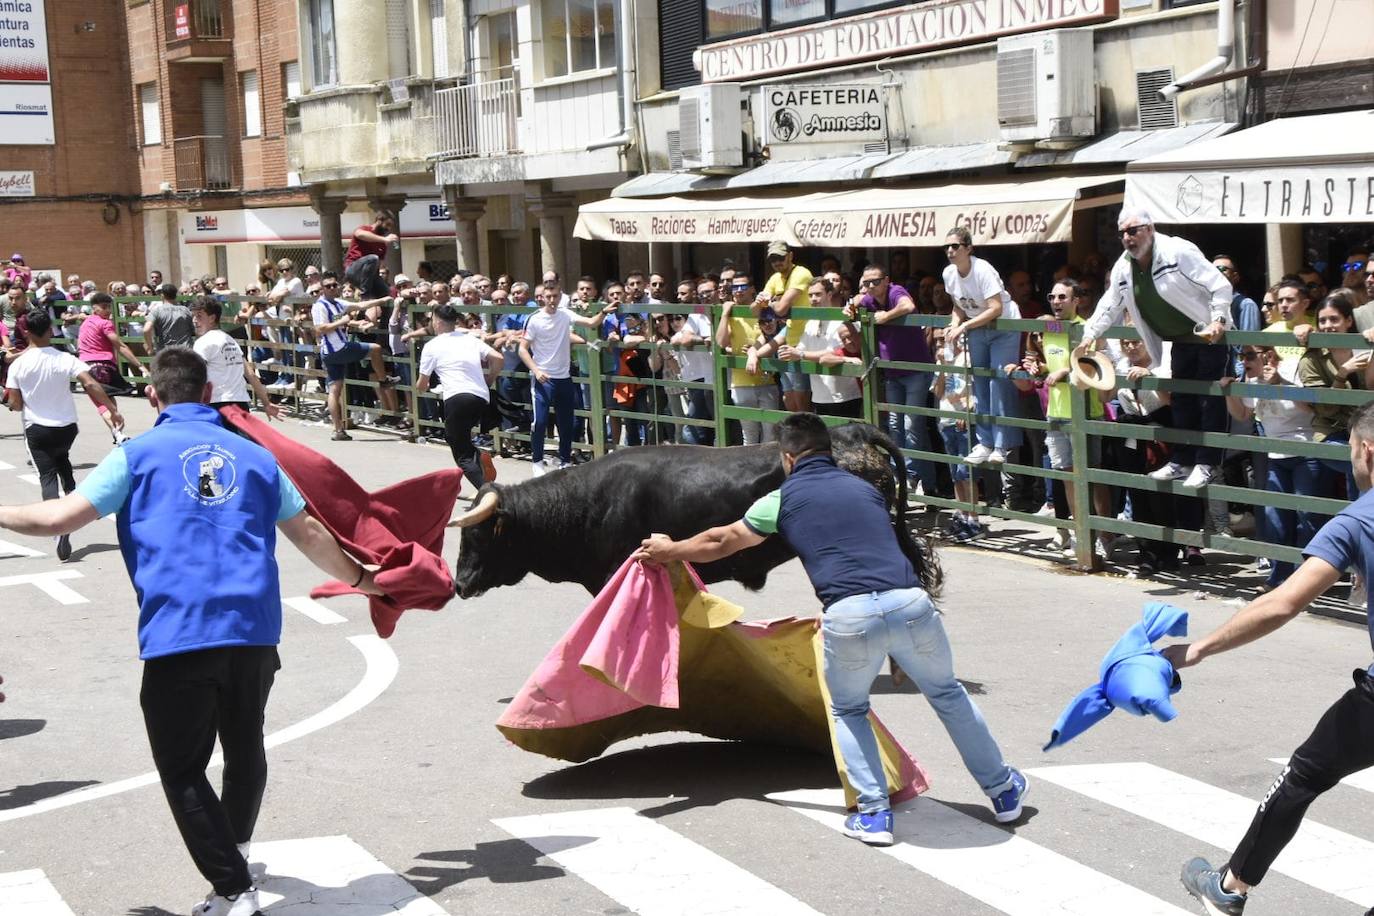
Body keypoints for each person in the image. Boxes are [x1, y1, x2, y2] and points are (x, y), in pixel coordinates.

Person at [0, 347, 385, 916]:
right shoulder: (253, 457)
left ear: (153, 396)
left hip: (181, 630)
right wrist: (364, 580)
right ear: (209, 393)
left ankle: (232, 886)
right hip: (254, 629)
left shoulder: (137, 454)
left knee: (182, 766)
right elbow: (306, 532)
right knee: (245, 745)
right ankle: (237, 854)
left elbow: (58, 519)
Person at [633, 413, 1027, 845]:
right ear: (828, 450)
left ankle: (875, 815)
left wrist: (670, 550)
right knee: (948, 694)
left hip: (850, 616)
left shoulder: (780, 500)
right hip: (910, 605)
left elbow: (722, 541)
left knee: (848, 708)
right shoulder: (865, 490)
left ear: (787, 457)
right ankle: (1003, 790)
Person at [1167, 402, 1374, 916]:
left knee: (1302, 775)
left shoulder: (1359, 519)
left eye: (1350, 450)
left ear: (1368, 450)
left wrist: (1196, 649)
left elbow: (1282, 601)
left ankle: (1230, 887)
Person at [1077, 208, 1232, 491]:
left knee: (1209, 400)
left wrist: (1218, 320)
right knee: (1182, 400)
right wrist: (1090, 334)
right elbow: (1110, 304)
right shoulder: (1124, 266)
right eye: (1122, 232)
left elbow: (1219, 285)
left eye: (1133, 230)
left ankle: (1208, 462)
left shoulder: (1178, 251)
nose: (1127, 238)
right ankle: (1183, 459)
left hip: (1208, 336)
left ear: (1149, 229)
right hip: (1178, 341)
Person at [3, 308, 123, 562]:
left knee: (47, 477)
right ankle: (69, 511)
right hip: (67, 427)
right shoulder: (65, 358)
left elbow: (15, 404)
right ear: (50, 330)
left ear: (25, 332)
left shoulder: (19, 365)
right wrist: (111, 409)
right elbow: (90, 383)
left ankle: (58, 526)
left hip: (37, 428)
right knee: (64, 464)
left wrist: (13, 398)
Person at [1222, 344, 1319, 591]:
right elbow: (1243, 414)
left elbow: (1311, 409)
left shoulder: (1290, 370)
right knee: (1275, 517)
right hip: (1276, 455)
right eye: (1242, 356)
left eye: (1250, 356)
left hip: (1306, 451)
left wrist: (1279, 383)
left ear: (1268, 355)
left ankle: (1305, 582)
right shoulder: (1251, 381)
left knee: (1306, 517)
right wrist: (1229, 392)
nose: (1244, 361)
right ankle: (1279, 577)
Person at [847, 263, 938, 496]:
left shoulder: (895, 291)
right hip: (892, 371)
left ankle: (909, 477)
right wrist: (851, 306)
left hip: (915, 369)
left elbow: (908, 305)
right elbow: (854, 304)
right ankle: (926, 484)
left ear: (887, 280)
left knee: (911, 424)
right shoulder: (868, 298)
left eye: (875, 281)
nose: (871, 286)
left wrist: (884, 317)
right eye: (866, 282)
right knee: (898, 426)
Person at [942, 227, 1023, 467]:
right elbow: (958, 306)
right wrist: (953, 324)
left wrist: (964, 327)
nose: (950, 251)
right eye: (946, 247)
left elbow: (995, 307)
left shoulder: (983, 269)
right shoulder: (949, 273)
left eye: (955, 246)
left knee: (998, 381)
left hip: (1003, 326)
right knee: (978, 381)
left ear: (968, 248)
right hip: (977, 326)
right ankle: (985, 442)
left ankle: (1001, 444)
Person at [519, 286, 607, 474]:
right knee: (540, 422)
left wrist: (604, 311)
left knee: (566, 421)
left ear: (560, 297)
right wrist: (536, 370)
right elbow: (522, 349)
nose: (552, 300)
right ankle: (537, 461)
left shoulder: (565, 314)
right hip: (543, 378)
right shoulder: (534, 319)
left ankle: (565, 460)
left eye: (555, 296)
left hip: (564, 377)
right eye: (548, 296)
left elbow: (591, 322)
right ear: (541, 297)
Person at [417, 303, 503, 488]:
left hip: (456, 398)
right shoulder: (469, 339)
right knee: (456, 437)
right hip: (480, 397)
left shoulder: (432, 346)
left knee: (461, 454)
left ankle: (489, 494)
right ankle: (479, 457)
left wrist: (419, 387)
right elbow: (498, 358)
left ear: (438, 322)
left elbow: (422, 384)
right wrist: (489, 378)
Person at [310, 271, 400, 441]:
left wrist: (381, 300)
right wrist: (342, 322)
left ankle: (338, 430)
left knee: (335, 389)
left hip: (332, 353)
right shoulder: (320, 306)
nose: (332, 288)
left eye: (334, 285)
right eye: (328, 286)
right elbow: (319, 329)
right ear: (322, 289)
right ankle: (383, 381)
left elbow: (360, 306)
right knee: (374, 348)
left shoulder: (338, 303)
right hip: (337, 349)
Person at [189, 296, 282, 420]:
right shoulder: (230, 340)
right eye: (193, 316)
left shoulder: (203, 343)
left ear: (212, 318)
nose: (194, 320)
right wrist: (266, 403)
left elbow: (195, 376)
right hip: (241, 405)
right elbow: (251, 374)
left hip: (217, 405)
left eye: (199, 316)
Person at [716, 271, 780, 445]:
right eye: (735, 287)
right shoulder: (732, 313)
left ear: (752, 289)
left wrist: (754, 350)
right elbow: (721, 342)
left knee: (771, 436)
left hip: (767, 380)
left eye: (743, 286)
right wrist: (724, 314)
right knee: (749, 436)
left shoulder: (763, 309)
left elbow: (770, 335)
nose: (738, 291)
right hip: (741, 382)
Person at [77, 292, 147, 443]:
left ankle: (117, 434)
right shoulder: (105, 324)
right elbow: (120, 346)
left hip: (85, 368)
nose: (108, 310)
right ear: (94, 308)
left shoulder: (85, 324)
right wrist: (140, 366)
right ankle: (118, 433)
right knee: (109, 403)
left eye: (109, 306)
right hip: (103, 367)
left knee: (102, 405)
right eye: (104, 307)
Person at [758, 240, 815, 413]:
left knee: (801, 396)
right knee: (788, 396)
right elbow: (759, 307)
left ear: (790, 256)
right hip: (788, 337)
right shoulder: (775, 278)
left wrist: (773, 303)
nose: (777, 262)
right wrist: (773, 304)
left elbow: (781, 309)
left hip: (807, 338)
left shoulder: (801, 273)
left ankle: (805, 435)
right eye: (773, 259)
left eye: (781, 257)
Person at [344, 209, 400, 302]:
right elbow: (359, 234)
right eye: (387, 225)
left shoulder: (382, 244)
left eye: (390, 226)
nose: (388, 229)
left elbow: (379, 265)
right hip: (353, 270)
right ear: (379, 221)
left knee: (386, 294)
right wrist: (385, 239)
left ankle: (383, 315)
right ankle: (365, 296)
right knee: (373, 258)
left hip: (368, 277)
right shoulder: (364, 229)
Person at [145, 283, 195, 353]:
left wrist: (150, 348)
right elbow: (194, 329)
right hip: (186, 352)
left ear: (162, 295)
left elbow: (146, 329)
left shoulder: (157, 311)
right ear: (175, 295)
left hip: (167, 353)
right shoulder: (185, 310)